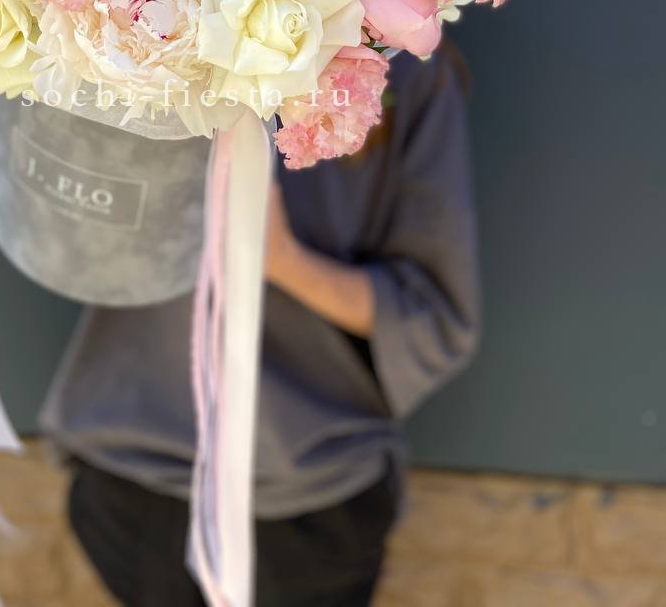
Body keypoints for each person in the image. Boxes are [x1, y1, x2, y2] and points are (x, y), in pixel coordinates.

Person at [39, 44, 480, 607]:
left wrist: (283, 259)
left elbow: (434, 316)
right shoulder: (132, 23)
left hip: (308, 500)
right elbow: (71, 228)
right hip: (132, 474)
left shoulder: (404, 61)